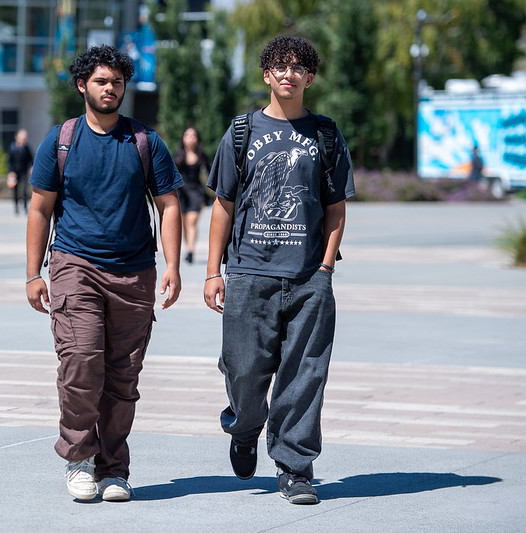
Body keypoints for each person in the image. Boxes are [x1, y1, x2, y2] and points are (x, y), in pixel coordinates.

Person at [25, 45, 183, 502]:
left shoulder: (144, 141)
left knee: (122, 378)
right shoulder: (61, 140)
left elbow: (169, 204)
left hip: (134, 273)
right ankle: (79, 458)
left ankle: (114, 468)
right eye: (100, 81)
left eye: (116, 81)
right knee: (80, 363)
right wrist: (33, 273)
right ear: (82, 86)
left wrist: (173, 265)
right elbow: (40, 209)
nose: (110, 88)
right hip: (75, 264)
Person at [203, 36, 355, 505]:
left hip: (308, 277)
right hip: (249, 273)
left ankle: (294, 467)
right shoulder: (242, 131)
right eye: (280, 67)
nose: (288, 75)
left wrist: (326, 267)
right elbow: (223, 206)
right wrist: (213, 272)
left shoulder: (325, 135)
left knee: (305, 375)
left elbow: (335, 209)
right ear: (267, 75)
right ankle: (245, 427)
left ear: (309, 78)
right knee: (244, 370)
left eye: (298, 68)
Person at [174, 126, 211, 264]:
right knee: (184, 224)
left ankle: (190, 251)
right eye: (187, 135)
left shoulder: (202, 156)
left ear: (197, 139)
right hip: (181, 193)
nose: (190, 138)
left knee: (192, 222)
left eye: (193, 135)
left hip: (196, 192)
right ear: (183, 139)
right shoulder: (177, 155)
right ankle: (188, 247)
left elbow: (210, 174)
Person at [7, 129, 34, 215]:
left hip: (24, 171)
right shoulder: (12, 147)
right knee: (15, 190)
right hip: (15, 172)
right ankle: (16, 207)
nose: (23, 139)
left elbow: (30, 160)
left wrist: (31, 168)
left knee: (25, 190)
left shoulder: (26, 148)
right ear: (17, 137)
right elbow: (9, 161)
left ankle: (25, 207)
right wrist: (11, 172)